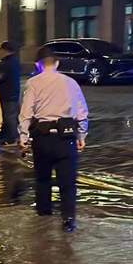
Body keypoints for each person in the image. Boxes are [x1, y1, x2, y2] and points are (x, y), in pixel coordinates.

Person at [19, 45, 89, 233]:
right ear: (57, 63)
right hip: (66, 139)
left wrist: (23, 137)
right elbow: (82, 113)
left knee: (42, 180)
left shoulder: (33, 83)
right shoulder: (71, 83)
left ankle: (43, 218)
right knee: (68, 183)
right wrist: (81, 135)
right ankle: (68, 221)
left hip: (42, 139)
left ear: (38, 65)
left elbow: (26, 112)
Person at [0, 41, 21, 145]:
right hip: (13, 92)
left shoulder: (6, 63)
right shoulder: (15, 60)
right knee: (12, 116)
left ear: (5, 50)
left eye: (1, 50)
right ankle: (12, 136)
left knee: (9, 117)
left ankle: (11, 139)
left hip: (7, 94)